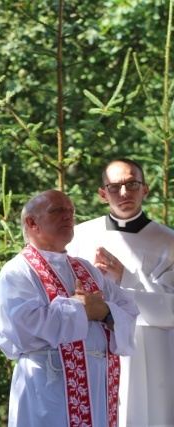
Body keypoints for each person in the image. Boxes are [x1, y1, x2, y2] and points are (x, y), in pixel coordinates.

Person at [0, 189, 140, 427]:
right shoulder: (18, 271)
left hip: (96, 388)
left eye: (71, 211)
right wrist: (82, 310)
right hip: (49, 388)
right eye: (58, 210)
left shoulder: (86, 269)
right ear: (32, 223)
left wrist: (104, 311)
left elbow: (128, 309)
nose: (68, 216)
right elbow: (22, 329)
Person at [67, 159, 174, 427]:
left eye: (132, 184)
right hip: (97, 346)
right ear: (103, 194)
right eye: (114, 187)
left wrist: (125, 277)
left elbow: (171, 309)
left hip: (153, 350)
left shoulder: (169, 241)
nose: (124, 193)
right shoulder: (80, 235)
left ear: (145, 189)